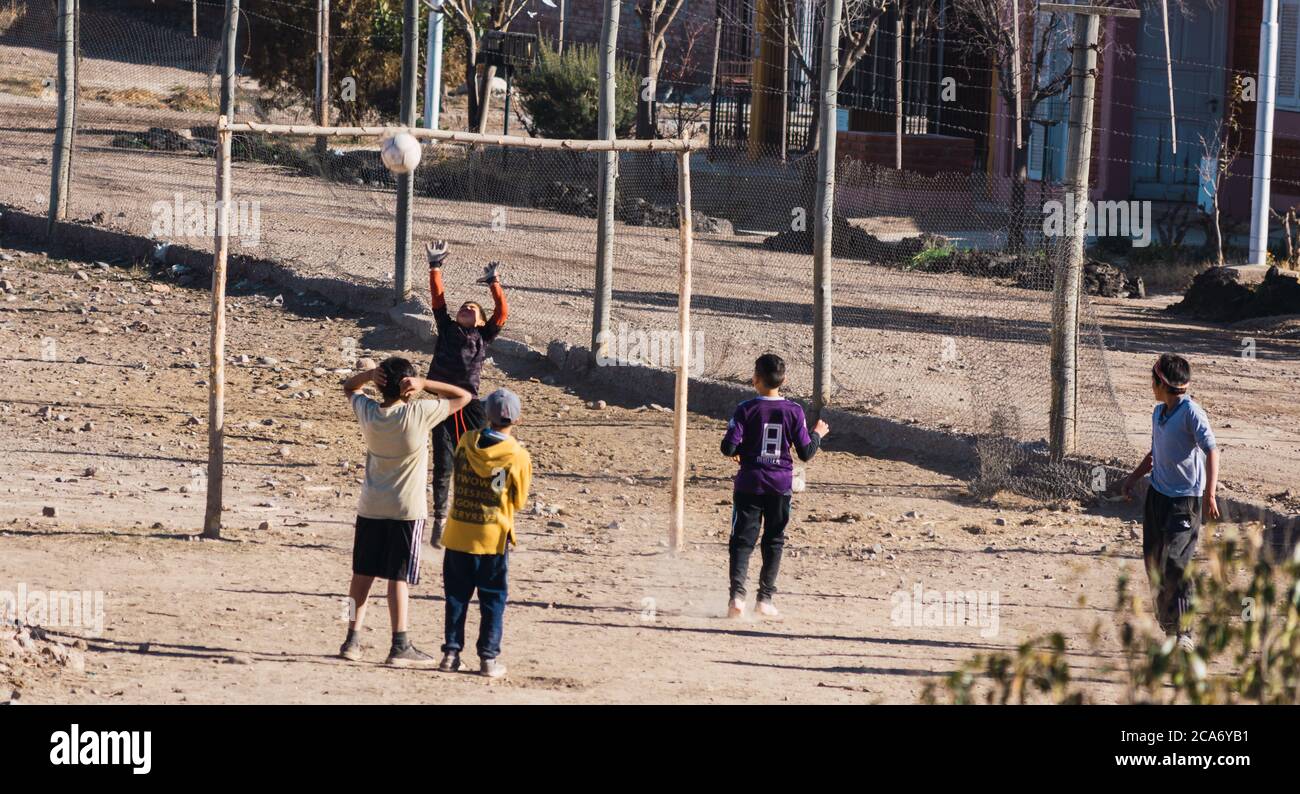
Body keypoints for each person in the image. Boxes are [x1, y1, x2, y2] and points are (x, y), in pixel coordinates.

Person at [338, 357, 472, 667]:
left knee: (361, 576)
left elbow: (348, 387)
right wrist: (426, 384)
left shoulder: (369, 413)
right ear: (408, 389)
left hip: (370, 506)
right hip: (406, 510)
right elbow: (462, 396)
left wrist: (369, 374)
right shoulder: (419, 413)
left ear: (380, 386)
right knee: (397, 578)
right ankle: (400, 644)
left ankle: (351, 639)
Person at [1122, 353, 1220, 652]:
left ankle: (1185, 633)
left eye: (1152, 381)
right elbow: (1154, 454)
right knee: (1153, 563)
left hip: (1184, 501)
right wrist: (1133, 478)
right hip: (1157, 497)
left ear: (1159, 383)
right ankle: (1169, 627)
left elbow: (1212, 450)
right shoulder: (1158, 413)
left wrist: (1210, 494)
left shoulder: (1192, 412)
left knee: (1177, 563)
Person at [721, 353, 828, 619]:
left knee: (742, 541)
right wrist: (818, 433)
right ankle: (765, 599)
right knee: (774, 540)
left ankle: (737, 597)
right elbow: (805, 452)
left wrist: (742, 450)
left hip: (749, 484)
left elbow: (728, 447)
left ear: (755, 379)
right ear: (784, 380)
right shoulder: (794, 411)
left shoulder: (745, 409)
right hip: (779, 486)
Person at [438, 388, 532, 678]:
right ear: (516, 419)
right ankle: (488, 659)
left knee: (456, 597)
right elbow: (519, 500)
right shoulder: (516, 455)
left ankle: (451, 654)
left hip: (458, 533)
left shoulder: (467, 442)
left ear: (487, 415)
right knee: (492, 599)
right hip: (492, 537)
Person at [424, 240, 508, 548]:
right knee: (443, 464)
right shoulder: (446, 328)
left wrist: (493, 283)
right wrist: (435, 267)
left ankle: (487, 514)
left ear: (482, 322)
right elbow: (438, 299)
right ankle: (440, 521)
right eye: (464, 307)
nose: (467, 309)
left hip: (470, 405)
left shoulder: (483, 337)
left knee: (481, 460)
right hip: (441, 405)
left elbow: (502, 312)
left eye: (473, 309)